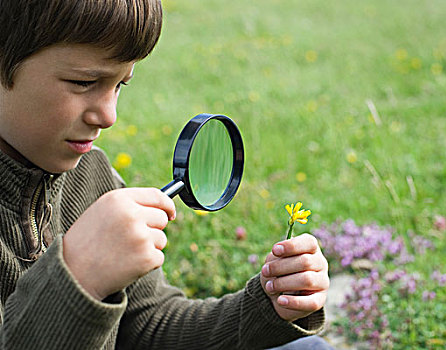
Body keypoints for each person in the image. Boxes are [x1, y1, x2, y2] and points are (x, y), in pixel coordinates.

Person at [0, 1, 332, 349]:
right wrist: (78, 277)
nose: (109, 115)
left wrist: (270, 307)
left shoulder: (93, 176)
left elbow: (148, 326)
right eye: (83, 82)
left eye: (120, 85)